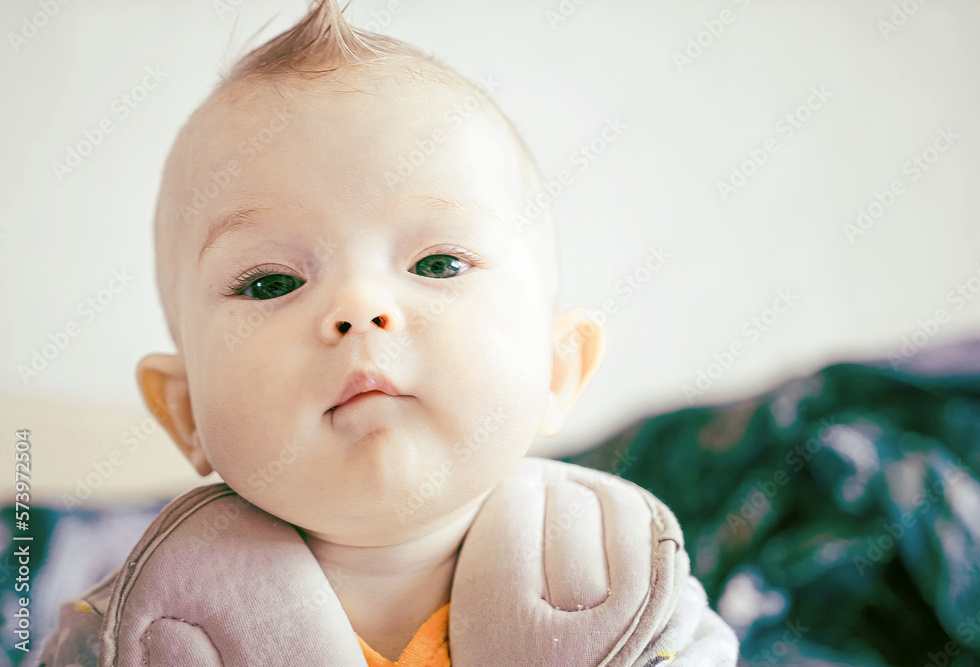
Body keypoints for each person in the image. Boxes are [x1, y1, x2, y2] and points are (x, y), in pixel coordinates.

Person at [37, 1, 739, 664]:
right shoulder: (128, 633)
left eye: (437, 264)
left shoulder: (632, 597)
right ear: (187, 409)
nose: (358, 307)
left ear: (557, 370)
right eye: (272, 282)